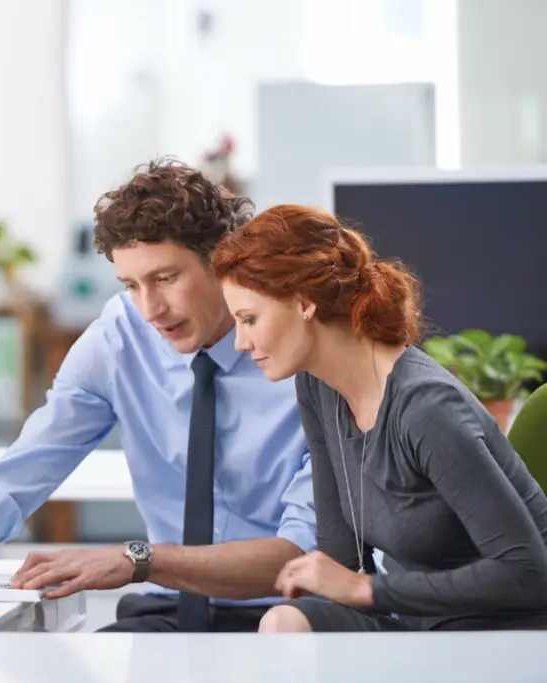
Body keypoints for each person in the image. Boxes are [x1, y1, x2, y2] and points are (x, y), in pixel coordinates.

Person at [0, 160, 316, 633]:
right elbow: (19, 472)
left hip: (287, 612)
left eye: (165, 279)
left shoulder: (299, 354)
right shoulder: (120, 335)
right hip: (168, 608)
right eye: (131, 285)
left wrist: (135, 559)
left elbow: (301, 552)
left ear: (224, 261)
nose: (150, 309)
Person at [210, 204, 547, 632]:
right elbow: (341, 557)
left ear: (304, 304)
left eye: (249, 319)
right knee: (284, 623)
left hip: (497, 631)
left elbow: (525, 571)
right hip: (413, 622)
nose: (241, 342)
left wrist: (366, 591)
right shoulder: (317, 387)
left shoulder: (426, 407)